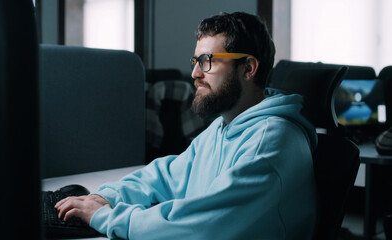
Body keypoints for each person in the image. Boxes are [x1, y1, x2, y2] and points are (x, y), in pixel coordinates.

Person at [55, 12, 318, 239]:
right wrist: (110, 197)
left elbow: (203, 228)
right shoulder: (225, 125)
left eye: (207, 61)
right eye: (196, 61)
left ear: (248, 68)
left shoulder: (270, 143)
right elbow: (168, 175)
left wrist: (106, 218)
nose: (195, 74)